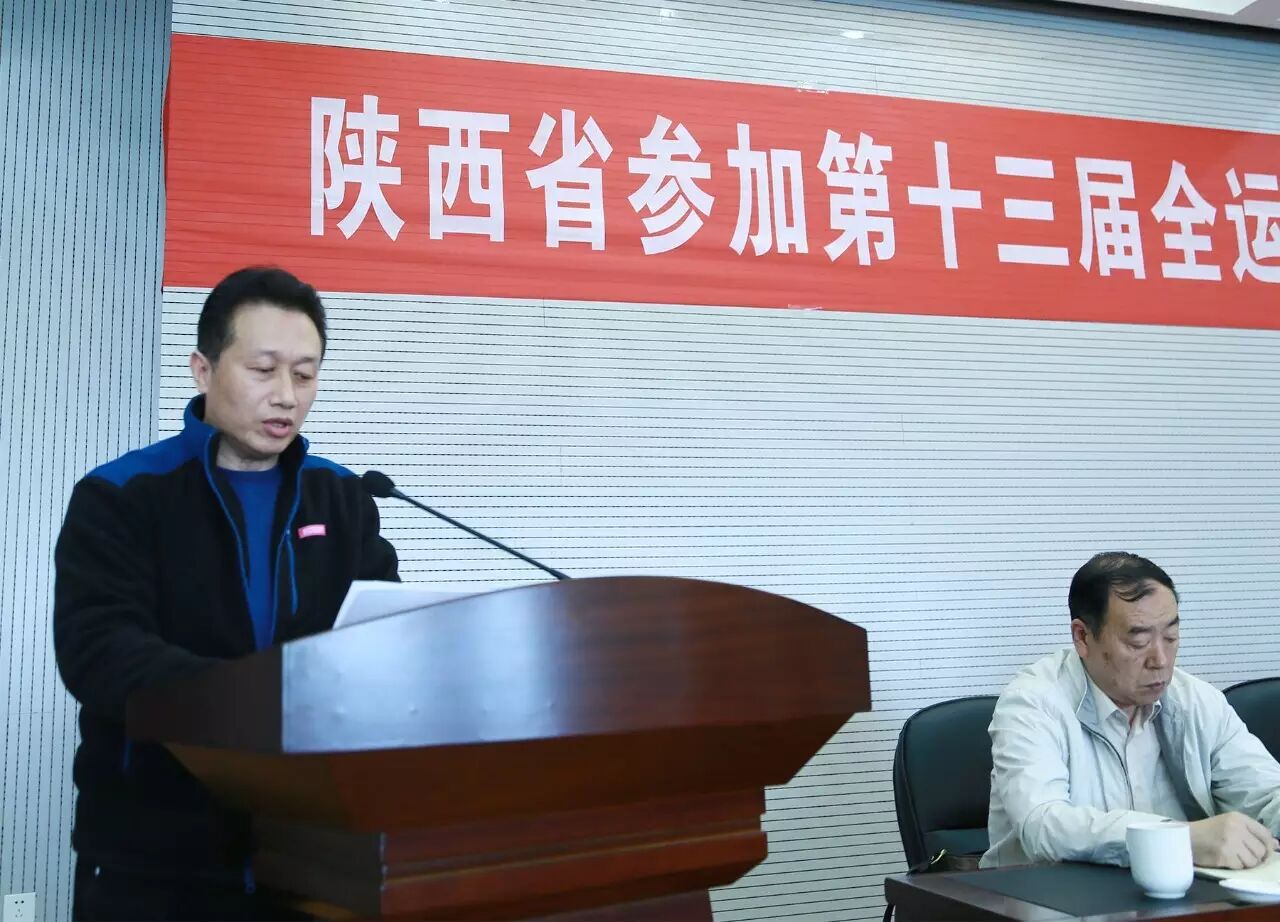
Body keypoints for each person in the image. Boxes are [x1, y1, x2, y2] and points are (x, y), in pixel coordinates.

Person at [54, 267, 399, 920]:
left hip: (310, 853)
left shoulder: (343, 498)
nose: (286, 396)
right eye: (264, 370)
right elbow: (97, 651)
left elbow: (386, 637)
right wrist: (254, 701)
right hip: (153, 859)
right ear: (203, 370)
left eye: (305, 374)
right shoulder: (123, 496)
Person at [983, 551, 1280, 870]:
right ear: (1083, 637)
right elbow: (1043, 826)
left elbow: (1265, 794)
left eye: (1171, 637)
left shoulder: (1196, 700)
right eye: (1138, 642)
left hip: (1185, 893)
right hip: (1044, 894)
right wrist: (1177, 839)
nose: (1160, 660)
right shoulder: (1032, 703)